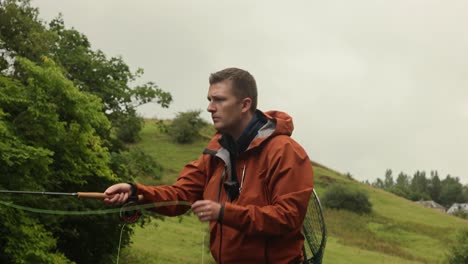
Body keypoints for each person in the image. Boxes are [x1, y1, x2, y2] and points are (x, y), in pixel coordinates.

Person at [104, 67, 314, 264]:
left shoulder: (285, 151)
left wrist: (223, 212)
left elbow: (287, 218)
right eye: (209, 99)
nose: (210, 107)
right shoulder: (217, 150)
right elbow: (182, 195)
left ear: (244, 105)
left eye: (219, 100)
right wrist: (137, 192)